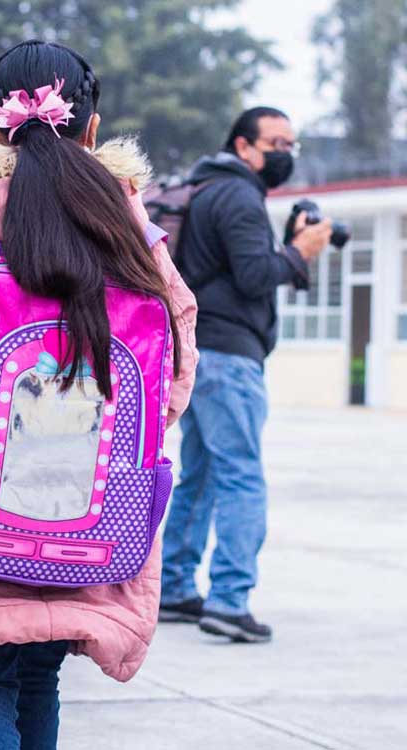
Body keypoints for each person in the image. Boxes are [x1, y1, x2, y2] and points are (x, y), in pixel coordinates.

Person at [0, 40, 199, 750]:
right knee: (40, 676)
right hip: (90, 506)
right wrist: (124, 461)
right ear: (92, 126)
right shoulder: (130, 233)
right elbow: (173, 364)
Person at [159, 107, 332, 643]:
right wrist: (300, 252)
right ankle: (230, 600)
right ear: (243, 146)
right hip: (230, 356)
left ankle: (174, 587)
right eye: (276, 141)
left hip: (197, 352)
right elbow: (256, 275)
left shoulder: (203, 189)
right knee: (241, 476)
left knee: (205, 472)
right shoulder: (238, 195)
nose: (286, 152)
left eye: (291, 143)